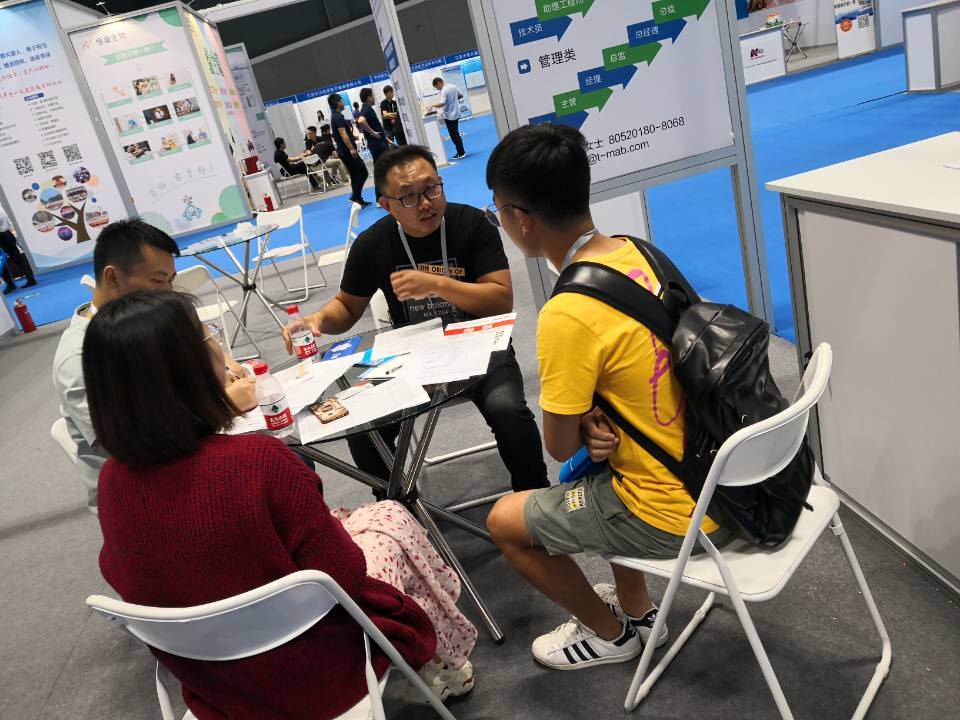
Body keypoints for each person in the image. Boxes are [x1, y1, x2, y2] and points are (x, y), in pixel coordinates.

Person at [85, 289, 477, 718]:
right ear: (190, 368)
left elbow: (124, 573)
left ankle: (444, 661)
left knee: (353, 522)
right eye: (208, 337)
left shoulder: (112, 483)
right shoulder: (259, 462)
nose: (219, 348)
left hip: (217, 688)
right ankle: (445, 662)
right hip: (322, 673)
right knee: (390, 518)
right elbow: (344, 574)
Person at [484, 124, 734, 670]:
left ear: (520, 218)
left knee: (504, 521)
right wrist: (595, 414)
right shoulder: (639, 251)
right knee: (592, 465)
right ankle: (638, 608)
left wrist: (581, 421)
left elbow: (557, 445)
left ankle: (610, 635)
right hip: (727, 475)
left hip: (675, 510)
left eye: (496, 210)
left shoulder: (567, 312)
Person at [283, 145, 549, 493]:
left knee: (509, 411)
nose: (426, 203)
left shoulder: (472, 223)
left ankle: (533, 497)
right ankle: (394, 507)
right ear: (386, 204)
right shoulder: (372, 244)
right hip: (411, 357)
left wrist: (437, 284)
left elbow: (500, 301)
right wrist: (317, 320)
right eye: (409, 196)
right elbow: (346, 308)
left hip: (483, 347)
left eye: (431, 188)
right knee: (363, 430)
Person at [52, 219, 257, 514]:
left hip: (190, 455)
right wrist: (221, 408)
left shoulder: (149, 319)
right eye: (158, 281)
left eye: (171, 281)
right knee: (276, 470)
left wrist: (221, 361)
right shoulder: (80, 356)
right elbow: (131, 445)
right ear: (113, 277)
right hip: (144, 493)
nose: (168, 292)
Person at [329, 92, 370, 207]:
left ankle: (358, 199)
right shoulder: (337, 117)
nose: (343, 102)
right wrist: (351, 148)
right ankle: (355, 196)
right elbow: (343, 134)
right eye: (342, 100)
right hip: (346, 151)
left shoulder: (336, 116)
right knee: (363, 172)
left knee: (354, 174)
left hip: (344, 151)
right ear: (337, 103)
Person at [357, 87, 390, 200]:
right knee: (381, 170)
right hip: (377, 146)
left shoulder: (368, 109)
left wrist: (385, 138)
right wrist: (373, 133)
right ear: (368, 98)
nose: (374, 98)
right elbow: (361, 121)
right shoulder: (366, 109)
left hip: (380, 143)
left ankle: (383, 195)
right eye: (372, 96)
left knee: (383, 169)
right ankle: (380, 197)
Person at [0, 207, 37, 294]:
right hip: (6, 233)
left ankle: (27, 280)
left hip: (3, 235)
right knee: (13, 258)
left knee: (14, 258)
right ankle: (28, 279)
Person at [429, 77, 465, 159]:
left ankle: (461, 152)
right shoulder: (453, 86)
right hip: (456, 113)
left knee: (454, 135)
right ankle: (461, 151)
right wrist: (453, 100)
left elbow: (442, 103)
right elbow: (460, 95)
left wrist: (432, 105)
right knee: (455, 134)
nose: (437, 89)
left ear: (439, 83)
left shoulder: (444, 90)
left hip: (449, 116)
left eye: (436, 87)